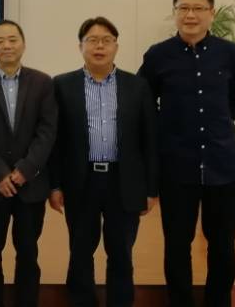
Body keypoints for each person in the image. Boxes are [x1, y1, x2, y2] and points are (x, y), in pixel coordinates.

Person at [138, 0, 235, 307]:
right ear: (175, 13)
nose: (190, 15)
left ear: (211, 14)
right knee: (177, 245)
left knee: (222, 246)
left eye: (198, 8)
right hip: (176, 168)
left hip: (222, 167)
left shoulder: (229, 53)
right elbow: (144, 105)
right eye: (183, 8)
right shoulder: (157, 55)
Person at [48, 17, 158, 307]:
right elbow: (55, 141)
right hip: (80, 179)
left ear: (116, 47)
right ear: (80, 46)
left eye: (106, 40)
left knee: (121, 252)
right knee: (80, 251)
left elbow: (149, 140)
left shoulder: (137, 86)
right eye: (92, 40)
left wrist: (151, 189)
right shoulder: (62, 85)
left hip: (124, 180)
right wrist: (55, 185)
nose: (100, 46)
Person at [0, 19, 57, 307]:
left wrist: (25, 170)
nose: (6, 45)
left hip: (31, 185)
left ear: (23, 44)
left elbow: (47, 131)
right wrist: (0, 174)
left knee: (28, 254)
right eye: (0, 40)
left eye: (12, 39)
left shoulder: (42, 82)